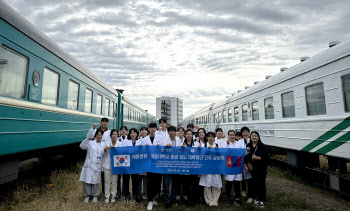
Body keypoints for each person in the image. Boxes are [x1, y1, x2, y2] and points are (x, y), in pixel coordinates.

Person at [79, 129, 106, 203]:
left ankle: (95, 196)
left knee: (95, 181)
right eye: (98, 135)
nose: (99, 136)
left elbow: (104, 155)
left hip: (98, 165)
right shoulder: (90, 143)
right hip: (89, 164)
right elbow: (82, 146)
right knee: (87, 180)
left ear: (102, 136)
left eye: (100, 135)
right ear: (95, 135)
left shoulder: (104, 145)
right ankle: (87, 196)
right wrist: (87, 139)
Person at [85, 118, 111, 196]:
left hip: (104, 154)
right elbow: (88, 137)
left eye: (106, 122)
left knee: (104, 175)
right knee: (94, 174)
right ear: (101, 122)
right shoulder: (95, 131)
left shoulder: (108, 132)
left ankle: (103, 191)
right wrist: (93, 128)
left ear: (107, 123)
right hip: (95, 155)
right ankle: (93, 193)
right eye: (103, 122)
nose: (104, 123)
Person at [246, 131, 268, 208]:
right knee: (254, 183)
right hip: (252, 168)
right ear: (250, 137)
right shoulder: (248, 145)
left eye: (256, 136)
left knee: (261, 183)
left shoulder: (262, 146)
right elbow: (246, 157)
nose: (254, 137)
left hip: (261, 168)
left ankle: (261, 199)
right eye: (252, 136)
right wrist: (245, 165)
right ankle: (256, 197)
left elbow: (266, 157)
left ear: (258, 137)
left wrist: (257, 158)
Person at [161, 126, 182, 208]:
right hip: (167, 165)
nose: (172, 132)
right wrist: (165, 148)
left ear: (175, 132)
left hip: (176, 164)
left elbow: (180, 151)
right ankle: (167, 200)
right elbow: (161, 152)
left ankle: (173, 198)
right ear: (168, 132)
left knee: (175, 183)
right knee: (166, 183)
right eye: (170, 131)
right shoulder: (164, 140)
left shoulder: (178, 140)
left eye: (173, 131)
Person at [199, 132, 222, 206]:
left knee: (216, 183)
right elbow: (201, 157)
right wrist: (207, 151)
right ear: (207, 138)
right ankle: (209, 201)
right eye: (209, 137)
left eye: (212, 137)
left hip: (216, 167)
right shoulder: (204, 145)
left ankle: (215, 200)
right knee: (207, 184)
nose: (211, 138)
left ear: (214, 138)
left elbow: (221, 156)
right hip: (207, 167)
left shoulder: (218, 145)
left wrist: (218, 151)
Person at [223, 130, 245, 206]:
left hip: (237, 165)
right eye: (230, 135)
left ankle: (237, 198)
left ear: (235, 136)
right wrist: (227, 144)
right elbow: (224, 152)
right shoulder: (225, 143)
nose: (232, 136)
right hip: (229, 165)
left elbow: (242, 152)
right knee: (228, 183)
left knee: (237, 183)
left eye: (233, 135)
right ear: (228, 136)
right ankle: (228, 198)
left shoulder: (238, 143)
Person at [145, 123, 163, 211]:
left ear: (156, 129)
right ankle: (150, 200)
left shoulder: (160, 139)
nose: (152, 129)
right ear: (149, 129)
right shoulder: (145, 139)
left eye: (154, 128)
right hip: (149, 164)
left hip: (158, 164)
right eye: (151, 127)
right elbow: (140, 151)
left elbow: (163, 150)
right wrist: (144, 147)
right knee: (150, 181)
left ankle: (154, 197)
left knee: (157, 181)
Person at [122, 128, 142, 202]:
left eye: (134, 133)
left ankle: (135, 195)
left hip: (135, 164)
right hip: (126, 163)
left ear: (137, 134)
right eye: (131, 133)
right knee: (126, 180)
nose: (133, 135)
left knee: (135, 181)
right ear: (129, 134)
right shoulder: (125, 141)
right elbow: (124, 151)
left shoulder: (140, 142)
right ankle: (126, 195)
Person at [103, 129, 122, 203]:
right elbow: (103, 153)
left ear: (118, 135)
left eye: (116, 134)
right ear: (111, 136)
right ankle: (107, 196)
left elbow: (123, 153)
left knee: (114, 181)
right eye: (113, 134)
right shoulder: (106, 143)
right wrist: (106, 148)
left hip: (116, 165)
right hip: (107, 164)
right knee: (107, 181)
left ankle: (113, 196)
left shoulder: (120, 143)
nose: (114, 136)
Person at [180, 129, 197, 206]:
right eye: (188, 134)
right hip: (186, 167)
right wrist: (181, 150)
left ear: (192, 135)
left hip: (194, 166)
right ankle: (188, 200)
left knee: (193, 184)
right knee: (186, 184)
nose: (189, 136)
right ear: (185, 135)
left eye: (190, 134)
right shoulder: (182, 144)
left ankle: (193, 200)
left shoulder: (196, 144)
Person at [239, 127, 252, 199]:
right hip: (241, 162)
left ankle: (251, 194)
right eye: (243, 132)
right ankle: (243, 190)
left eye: (246, 132)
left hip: (249, 162)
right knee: (243, 177)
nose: (245, 133)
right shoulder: (240, 141)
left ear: (249, 133)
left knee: (250, 178)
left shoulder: (252, 140)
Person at [117, 125, 128, 199]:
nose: (123, 131)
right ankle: (118, 192)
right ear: (120, 131)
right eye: (122, 129)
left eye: (125, 130)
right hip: (118, 160)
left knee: (125, 177)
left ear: (127, 131)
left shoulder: (129, 139)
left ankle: (125, 192)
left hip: (126, 161)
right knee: (118, 178)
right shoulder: (117, 139)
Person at [138, 127, 149, 200]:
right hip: (138, 162)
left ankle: (145, 193)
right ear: (140, 131)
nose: (144, 131)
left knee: (145, 179)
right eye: (142, 130)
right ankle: (138, 193)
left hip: (146, 162)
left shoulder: (149, 139)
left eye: (145, 130)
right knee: (138, 179)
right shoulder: (137, 139)